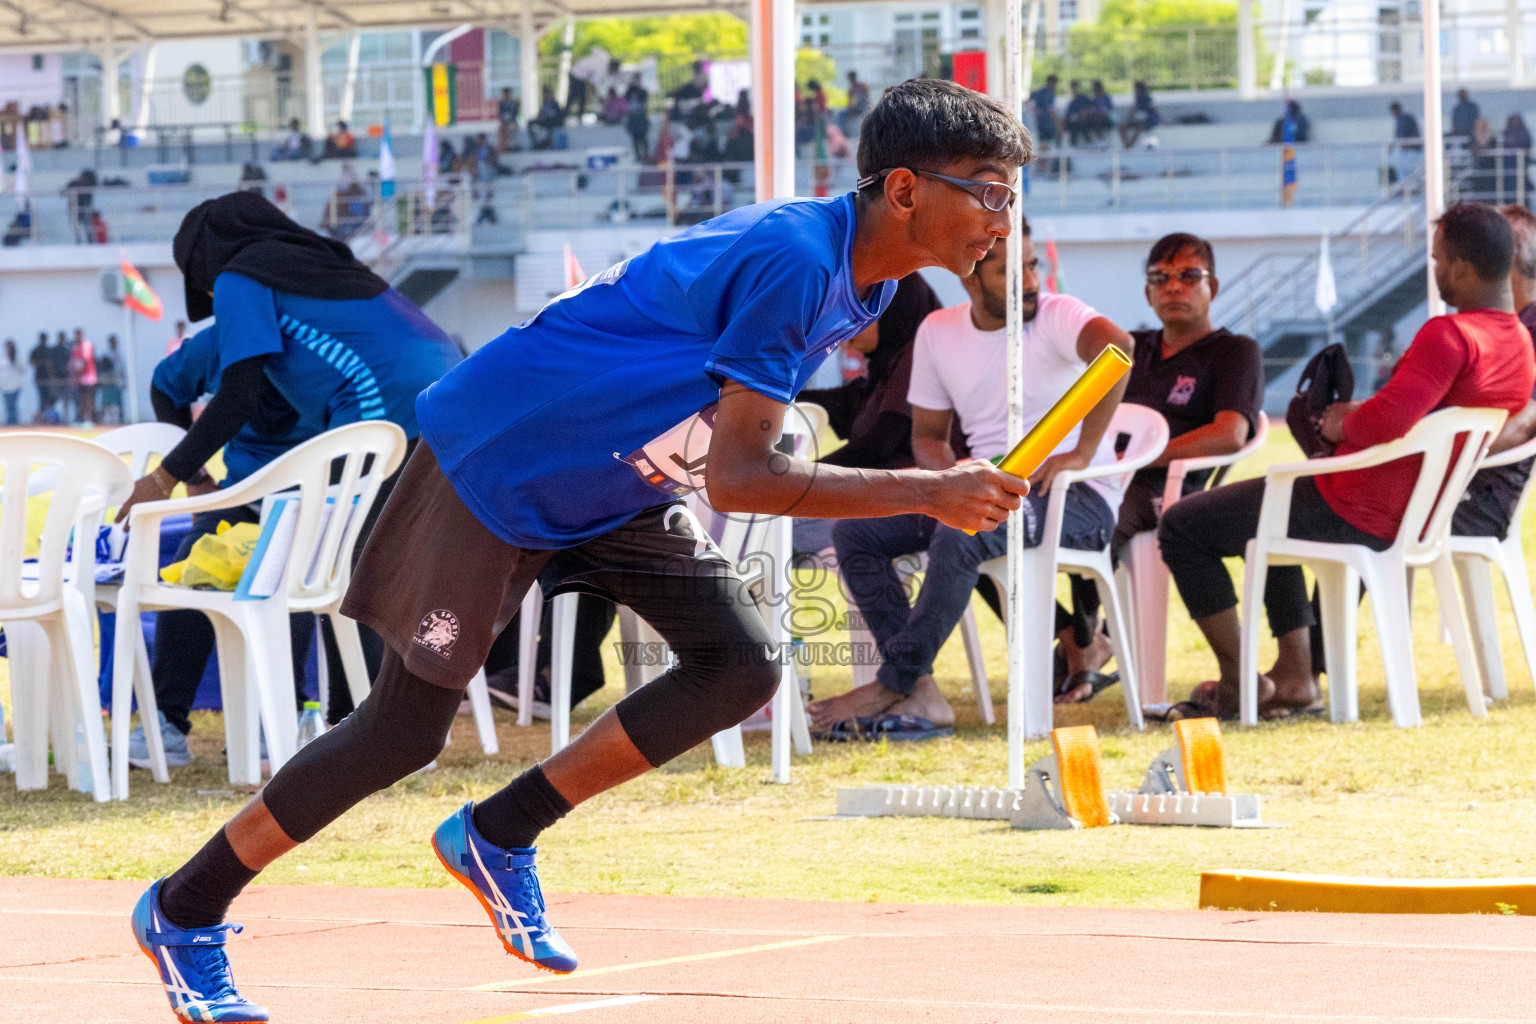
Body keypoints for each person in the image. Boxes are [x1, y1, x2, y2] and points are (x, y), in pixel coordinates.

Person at [132, 78, 1032, 1022]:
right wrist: (930, 490)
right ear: (902, 188)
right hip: (504, 457)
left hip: (616, 479)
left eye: (1009, 194)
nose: (1002, 218)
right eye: (989, 190)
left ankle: (500, 833)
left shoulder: (866, 280)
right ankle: (183, 910)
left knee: (740, 665)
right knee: (402, 732)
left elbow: (718, 432)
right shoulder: (799, 261)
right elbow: (742, 478)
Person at [114, 191, 464, 772]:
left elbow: (238, 391)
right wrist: (198, 475)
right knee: (354, 568)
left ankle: (373, 731)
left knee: (329, 567)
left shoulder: (242, 278)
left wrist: (167, 476)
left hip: (378, 410)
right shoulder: (318, 268)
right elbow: (196, 384)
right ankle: (374, 727)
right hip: (443, 395)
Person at [1157, 201, 1536, 721]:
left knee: (1183, 525)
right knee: (1263, 511)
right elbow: (1423, 415)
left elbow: (1387, 424)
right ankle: (1294, 676)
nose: (1435, 268)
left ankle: (1240, 686)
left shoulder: (1449, 334)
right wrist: (1368, 414)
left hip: (1357, 505)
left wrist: (1341, 423)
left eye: (1436, 259)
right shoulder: (1517, 341)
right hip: (1412, 513)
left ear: (1461, 268)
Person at [811, 225, 1132, 730]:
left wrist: (1082, 452)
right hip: (994, 488)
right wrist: (947, 479)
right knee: (856, 531)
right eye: (1011, 270)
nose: (1030, 280)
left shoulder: (1056, 311)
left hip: (1076, 497)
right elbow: (929, 438)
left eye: (1032, 265)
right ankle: (922, 692)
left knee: (966, 528)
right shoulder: (938, 331)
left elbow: (1119, 350)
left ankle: (894, 683)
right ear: (969, 279)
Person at [1058, 233, 1263, 703]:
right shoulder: (1133, 348)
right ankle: (1076, 641)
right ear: (1147, 291)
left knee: (1089, 522)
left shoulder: (1235, 352)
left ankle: (1089, 646)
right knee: (1031, 514)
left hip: (1173, 491)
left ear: (1214, 286)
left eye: (1190, 276)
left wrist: (1146, 455)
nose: (1174, 287)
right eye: (1160, 278)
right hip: (1107, 476)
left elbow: (1230, 433)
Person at [794, 272, 946, 556]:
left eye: (861, 311)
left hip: (898, 510)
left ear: (891, 308)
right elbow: (847, 402)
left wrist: (799, 477)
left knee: (772, 530)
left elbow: (879, 442)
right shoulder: (887, 364)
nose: (843, 334)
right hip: (883, 502)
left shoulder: (917, 357)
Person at [1447, 204, 1536, 542]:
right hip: (1469, 482)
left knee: (1368, 510)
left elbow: (1525, 421)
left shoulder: (1530, 328)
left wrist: (1439, 456)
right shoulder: (1502, 325)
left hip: (1481, 492)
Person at [1118, 81, 1159, 148]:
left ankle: (1129, 146)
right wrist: (1127, 120)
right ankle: (1127, 144)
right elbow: (1133, 111)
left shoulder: (1148, 99)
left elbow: (1154, 112)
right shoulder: (1138, 99)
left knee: (1138, 127)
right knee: (1122, 126)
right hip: (1139, 120)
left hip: (1147, 121)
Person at [1388, 101, 1421, 185]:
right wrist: (1391, 147)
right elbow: (1397, 136)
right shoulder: (1399, 120)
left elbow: (1408, 134)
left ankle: (1414, 187)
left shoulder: (1406, 118)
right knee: (1401, 167)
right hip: (1406, 150)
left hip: (1412, 149)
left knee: (1408, 168)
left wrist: (1408, 145)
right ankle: (1406, 187)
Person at [70, 328, 96, 424]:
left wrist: (79, 372)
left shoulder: (86, 345)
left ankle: (89, 419)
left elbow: (85, 361)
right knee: (81, 399)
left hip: (88, 378)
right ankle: (81, 418)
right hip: (79, 379)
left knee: (88, 399)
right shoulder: (75, 347)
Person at [96, 334, 123, 424]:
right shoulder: (105, 354)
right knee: (106, 406)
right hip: (107, 383)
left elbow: (122, 369)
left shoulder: (119, 355)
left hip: (116, 383)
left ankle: (117, 421)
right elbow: (102, 368)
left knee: (116, 406)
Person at [1028, 74, 1060, 150]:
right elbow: (1052, 111)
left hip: (1041, 124)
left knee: (1044, 146)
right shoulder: (1048, 93)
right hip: (1046, 125)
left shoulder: (1041, 92)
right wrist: (1057, 125)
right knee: (1046, 146)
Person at [624, 76, 650, 161]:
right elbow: (626, 98)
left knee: (643, 138)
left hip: (640, 117)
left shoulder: (642, 92)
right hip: (633, 118)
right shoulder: (629, 92)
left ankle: (645, 155)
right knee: (635, 139)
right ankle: (638, 156)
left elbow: (644, 98)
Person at [27, 331, 50, 422]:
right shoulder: (35, 350)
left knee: (48, 399)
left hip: (49, 380)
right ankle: (41, 417)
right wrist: (42, 363)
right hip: (39, 379)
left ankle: (46, 417)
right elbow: (31, 362)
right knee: (42, 398)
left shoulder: (48, 350)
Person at [0, 339, 24, 425]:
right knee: (8, 407)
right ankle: (9, 424)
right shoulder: (3, 360)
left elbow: (22, 370)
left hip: (15, 387)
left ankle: (15, 424)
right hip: (5, 388)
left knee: (13, 407)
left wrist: (13, 360)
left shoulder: (17, 360)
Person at [497, 87, 520, 152]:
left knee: (509, 128)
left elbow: (515, 114)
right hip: (504, 122)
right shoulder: (501, 103)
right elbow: (500, 114)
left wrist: (509, 119)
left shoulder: (514, 103)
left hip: (512, 122)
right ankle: (502, 146)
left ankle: (507, 146)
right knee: (501, 128)